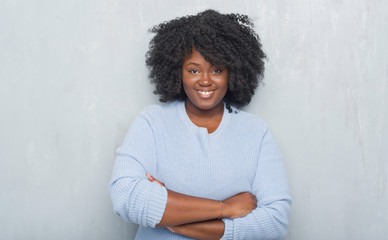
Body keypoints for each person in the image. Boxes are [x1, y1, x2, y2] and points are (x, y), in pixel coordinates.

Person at [109, 9, 291, 240]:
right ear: (177, 72)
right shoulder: (152, 123)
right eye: (193, 70)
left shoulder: (256, 132)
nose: (205, 80)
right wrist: (225, 208)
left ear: (232, 72)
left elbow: (276, 221)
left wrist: (181, 220)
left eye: (217, 70)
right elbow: (126, 197)